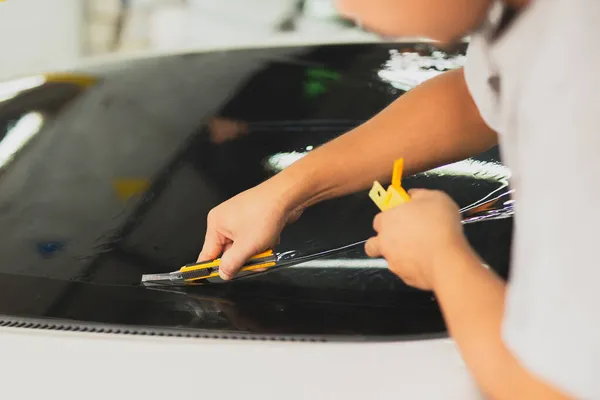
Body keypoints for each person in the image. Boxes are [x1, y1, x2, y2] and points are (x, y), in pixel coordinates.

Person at [197, 0, 600, 398]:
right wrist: (284, 190)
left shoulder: (580, 104)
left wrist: (443, 261)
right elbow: (475, 98)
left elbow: (546, 390)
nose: (347, 13)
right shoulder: (541, 22)